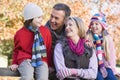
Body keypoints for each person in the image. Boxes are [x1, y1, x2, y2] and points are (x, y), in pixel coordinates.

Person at [9, 3, 52, 80]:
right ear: (30, 19)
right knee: (27, 77)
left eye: (41, 17)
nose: (41, 19)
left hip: (41, 59)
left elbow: (48, 50)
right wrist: (14, 63)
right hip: (25, 60)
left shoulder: (45, 31)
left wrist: (49, 65)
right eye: (38, 17)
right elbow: (16, 50)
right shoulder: (20, 33)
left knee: (43, 78)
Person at [86, 13, 117, 80]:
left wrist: (113, 69)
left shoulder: (107, 39)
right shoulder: (88, 38)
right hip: (93, 68)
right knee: (99, 78)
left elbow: (112, 56)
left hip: (105, 66)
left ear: (102, 25)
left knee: (112, 78)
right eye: (92, 24)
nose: (94, 26)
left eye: (96, 24)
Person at [45, 3, 71, 80]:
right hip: (47, 69)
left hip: (67, 70)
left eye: (56, 18)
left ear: (65, 20)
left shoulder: (71, 31)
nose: (52, 20)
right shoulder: (43, 32)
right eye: (51, 16)